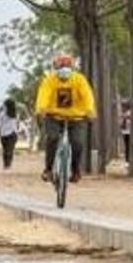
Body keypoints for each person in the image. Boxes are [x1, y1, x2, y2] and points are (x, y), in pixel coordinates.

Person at [35, 54, 96, 183]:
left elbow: (87, 96)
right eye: (61, 65)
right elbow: (44, 95)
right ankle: (49, 169)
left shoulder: (79, 80)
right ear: (56, 67)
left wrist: (89, 110)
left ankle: (75, 170)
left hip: (76, 118)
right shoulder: (50, 80)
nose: (64, 68)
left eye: (67, 65)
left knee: (78, 143)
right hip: (54, 117)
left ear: (72, 67)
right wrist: (42, 108)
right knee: (52, 138)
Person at [0, 98, 19, 170]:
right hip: (13, 133)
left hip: (4, 134)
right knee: (10, 150)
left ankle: (6, 165)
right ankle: (8, 165)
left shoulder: (2, 114)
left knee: (5, 150)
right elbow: (17, 124)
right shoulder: (15, 114)